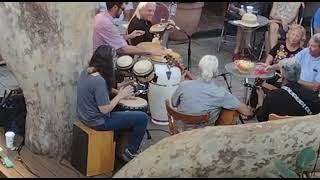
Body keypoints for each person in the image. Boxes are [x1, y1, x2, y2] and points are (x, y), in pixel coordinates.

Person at [77, 45, 148, 162]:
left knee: (129, 111)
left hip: (85, 116)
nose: (115, 61)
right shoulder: (99, 80)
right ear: (106, 62)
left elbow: (101, 90)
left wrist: (117, 92)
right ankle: (131, 151)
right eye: (114, 59)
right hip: (97, 121)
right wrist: (121, 96)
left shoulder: (88, 71)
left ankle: (118, 146)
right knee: (142, 118)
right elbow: (105, 110)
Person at [171, 55, 253, 126]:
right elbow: (246, 112)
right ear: (216, 72)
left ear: (199, 68)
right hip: (205, 134)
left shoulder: (184, 84)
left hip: (180, 130)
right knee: (230, 112)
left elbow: (173, 103)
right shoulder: (220, 93)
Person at [255, 58, 320, 122]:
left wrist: (260, 99)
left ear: (283, 77)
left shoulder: (272, 97)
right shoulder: (313, 97)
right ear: (299, 75)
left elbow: (261, 118)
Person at [93, 2, 165, 57]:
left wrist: (129, 36)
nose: (123, 12)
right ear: (115, 7)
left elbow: (112, 38)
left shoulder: (101, 16)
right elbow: (123, 49)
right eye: (123, 9)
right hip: (102, 60)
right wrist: (149, 51)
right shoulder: (105, 23)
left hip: (104, 55)